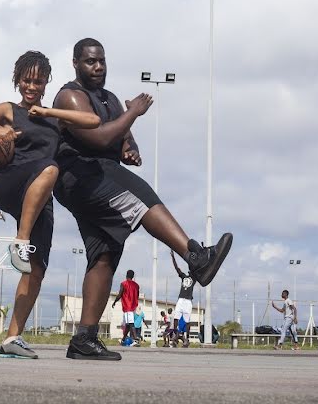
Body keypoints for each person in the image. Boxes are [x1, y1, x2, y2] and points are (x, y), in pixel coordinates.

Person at [52, 38, 234, 361]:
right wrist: (133, 112)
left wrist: (130, 149)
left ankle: (84, 339)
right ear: (76, 63)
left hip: (100, 173)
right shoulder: (70, 96)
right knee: (142, 196)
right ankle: (196, 257)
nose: (98, 67)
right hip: (78, 175)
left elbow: (121, 138)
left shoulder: (109, 99)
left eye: (102, 61)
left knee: (105, 254)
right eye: (91, 61)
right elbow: (99, 137)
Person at [0, 50, 100, 360]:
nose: (32, 87)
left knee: (36, 270)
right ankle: (20, 240)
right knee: (51, 168)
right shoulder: (8, 110)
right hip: (10, 182)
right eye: (27, 80)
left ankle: (12, 338)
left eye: (38, 81)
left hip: (39, 198)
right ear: (17, 80)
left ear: (46, 82)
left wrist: (52, 113)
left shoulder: (53, 120)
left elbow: (92, 120)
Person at [171, 250, 196, 347]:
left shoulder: (194, 279)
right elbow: (177, 268)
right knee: (176, 317)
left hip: (188, 301)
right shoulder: (184, 277)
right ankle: (175, 335)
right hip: (181, 299)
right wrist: (173, 258)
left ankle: (187, 338)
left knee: (187, 321)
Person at [111, 270, 139, 345]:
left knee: (131, 323)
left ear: (126, 275)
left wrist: (114, 302)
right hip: (134, 306)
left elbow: (120, 294)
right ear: (133, 276)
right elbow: (137, 296)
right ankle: (123, 339)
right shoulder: (137, 285)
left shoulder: (123, 284)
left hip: (127, 306)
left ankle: (136, 340)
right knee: (127, 324)